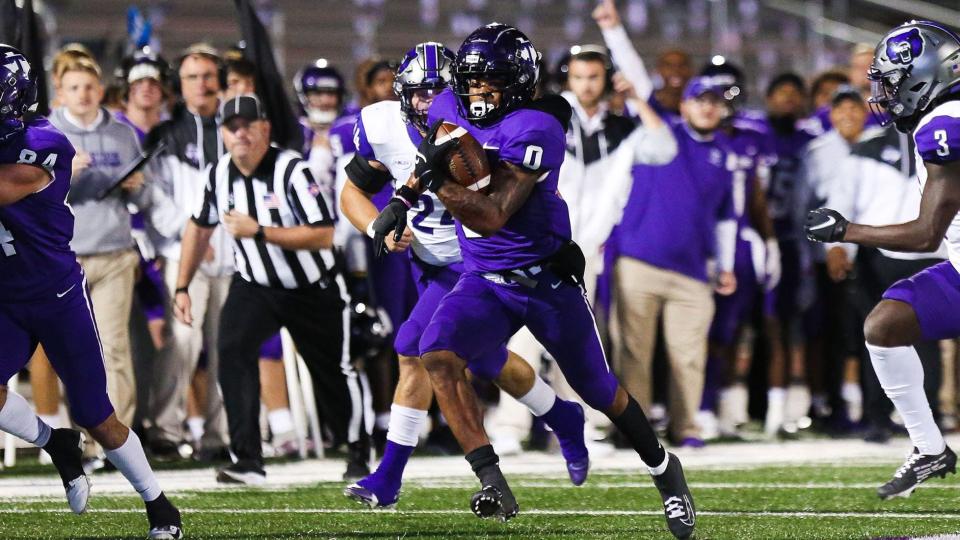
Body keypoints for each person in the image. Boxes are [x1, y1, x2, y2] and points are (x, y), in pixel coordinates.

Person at [372, 24, 696, 539]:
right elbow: (429, 159)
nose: (477, 91)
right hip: (483, 278)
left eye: (490, 81)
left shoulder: (538, 127)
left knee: (599, 389)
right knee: (436, 353)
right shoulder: (445, 109)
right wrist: (400, 201)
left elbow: (494, 212)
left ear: (519, 81)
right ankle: (492, 480)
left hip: (544, 280)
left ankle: (665, 471)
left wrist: (436, 182)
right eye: (471, 81)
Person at [340, 42, 589, 509]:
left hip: (476, 261)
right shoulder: (380, 125)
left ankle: (388, 477)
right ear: (401, 94)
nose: (428, 104)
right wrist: (376, 224)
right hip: (427, 261)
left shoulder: (485, 123)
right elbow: (352, 190)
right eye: (418, 94)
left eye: (438, 93)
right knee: (485, 360)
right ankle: (562, 415)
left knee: (414, 348)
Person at [0, 43, 182, 540]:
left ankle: (159, 504)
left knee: (96, 414)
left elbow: (5, 186)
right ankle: (55, 443)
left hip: (55, 293)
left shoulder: (45, 142)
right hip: (5, 299)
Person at [174, 94, 371, 484]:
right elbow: (199, 226)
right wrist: (182, 285)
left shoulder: (292, 170)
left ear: (265, 127)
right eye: (232, 127)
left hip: (312, 287)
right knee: (231, 350)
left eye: (248, 124)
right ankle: (247, 458)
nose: (241, 133)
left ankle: (358, 451)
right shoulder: (218, 174)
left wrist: (260, 231)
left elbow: (324, 234)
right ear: (223, 134)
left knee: (333, 371)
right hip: (255, 285)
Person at [805, 20, 960, 499]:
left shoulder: (943, 125)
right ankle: (929, 447)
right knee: (885, 324)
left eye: (892, 80)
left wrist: (845, 229)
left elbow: (924, 232)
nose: (885, 93)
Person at [49, 53, 163, 470]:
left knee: (114, 347)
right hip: (64, 255)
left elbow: (144, 195)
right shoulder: (47, 132)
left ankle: (116, 446)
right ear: (61, 91)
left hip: (114, 252)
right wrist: (65, 172)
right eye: (74, 87)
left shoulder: (120, 132)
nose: (83, 94)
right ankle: (81, 441)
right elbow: (28, 194)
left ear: (100, 89)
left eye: (89, 86)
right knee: (73, 350)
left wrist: (136, 185)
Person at [614, 76, 738, 447]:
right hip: (640, 260)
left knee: (689, 355)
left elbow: (725, 217)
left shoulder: (725, 153)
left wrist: (726, 264)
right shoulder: (659, 135)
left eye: (714, 101)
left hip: (694, 270)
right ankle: (634, 430)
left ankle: (686, 427)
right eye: (699, 99)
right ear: (682, 106)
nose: (707, 107)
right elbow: (641, 106)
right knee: (633, 352)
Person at [149, 43, 232, 462]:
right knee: (182, 339)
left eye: (207, 75)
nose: (201, 84)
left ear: (219, 80)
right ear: (179, 87)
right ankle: (165, 427)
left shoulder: (237, 127)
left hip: (233, 257)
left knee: (227, 346)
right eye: (191, 77)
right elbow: (154, 197)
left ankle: (220, 436)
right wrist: (193, 233)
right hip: (184, 256)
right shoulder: (164, 135)